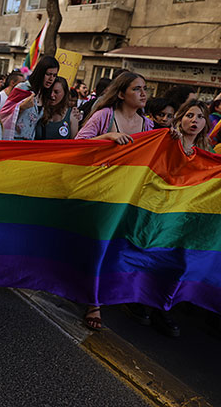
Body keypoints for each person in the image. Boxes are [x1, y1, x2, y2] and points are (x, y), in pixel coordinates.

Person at [75, 72, 154, 331]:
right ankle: (94, 302)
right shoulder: (104, 116)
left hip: (129, 197)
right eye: (137, 89)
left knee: (115, 248)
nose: (143, 94)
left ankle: (97, 293)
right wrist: (107, 138)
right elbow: (77, 145)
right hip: (100, 194)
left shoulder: (149, 127)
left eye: (145, 89)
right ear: (121, 93)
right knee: (99, 246)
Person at [0, 56, 60, 140]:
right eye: (48, 74)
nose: (51, 79)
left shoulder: (45, 94)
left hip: (29, 144)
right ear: (40, 72)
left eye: (54, 75)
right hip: (12, 141)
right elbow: (4, 114)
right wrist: (20, 108)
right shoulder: (22, 88)